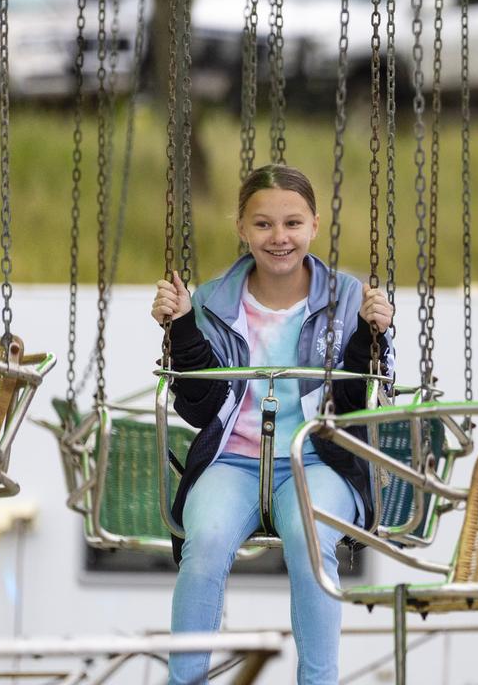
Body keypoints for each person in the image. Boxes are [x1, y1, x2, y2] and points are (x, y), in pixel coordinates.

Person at [150, 164, 393, 684]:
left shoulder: (349, 299)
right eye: (263, 225)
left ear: (314, 226)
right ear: (242, 228)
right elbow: (198, 407)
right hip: (233, 460)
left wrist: (371, 338)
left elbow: (355, 403)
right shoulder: (212, 301)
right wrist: (181, 328)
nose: (279, 238)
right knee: (206, 541)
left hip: (319, 456)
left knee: (312, 539)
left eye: (292, 223)